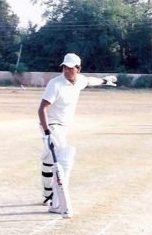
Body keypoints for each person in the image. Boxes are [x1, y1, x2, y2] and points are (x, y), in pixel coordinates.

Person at [38, 53, 117, 218]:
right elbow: (42, 109)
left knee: (48, 158)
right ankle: (56, 203)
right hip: (52, 126)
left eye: (70, 68)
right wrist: (47, 133)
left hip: (63, 127)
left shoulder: (79, 80)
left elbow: (90, 81)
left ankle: (47, 194)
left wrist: (105, 80)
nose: (66, 71)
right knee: (64, 157)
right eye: (64, 67)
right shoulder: (55, 84)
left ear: (78, 69)